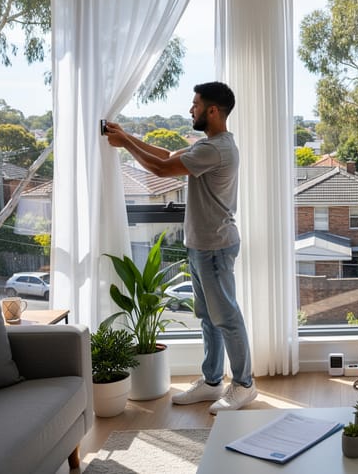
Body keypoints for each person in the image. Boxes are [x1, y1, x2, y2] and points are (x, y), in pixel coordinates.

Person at [104, 81, 257, 414]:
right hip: (203, 246)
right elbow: (166, 156)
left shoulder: (215, 149)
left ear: (212, 111)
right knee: (208, 318)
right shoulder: (209, 144)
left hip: (216, 247)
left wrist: (124, 142)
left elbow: (161, 169)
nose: (191, 109)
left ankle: (244, 385)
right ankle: (212, 380)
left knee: (227, 317)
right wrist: (126, 136)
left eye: (196, 104)